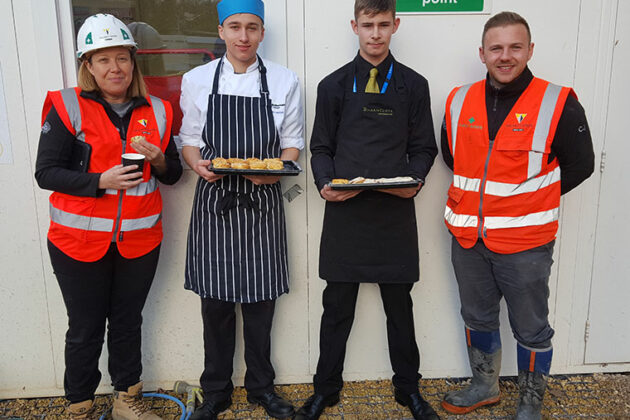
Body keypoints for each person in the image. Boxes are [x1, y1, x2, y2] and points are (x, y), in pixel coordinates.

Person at [440, 11, 594, 420]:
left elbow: (580, 165)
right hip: (468, 238)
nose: (505, 56)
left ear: (529, 50)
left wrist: (529, 202)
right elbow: (453, 157)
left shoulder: (558, 102)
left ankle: (530, 403)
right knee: (476, 316)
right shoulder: (458, 100)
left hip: (526, 244)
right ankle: (484, 386)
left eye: (515, 47)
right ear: (482, 53)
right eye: (496, 48)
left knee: (531, 327)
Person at [35, 13, 182, 420]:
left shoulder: (158, 110)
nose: (114, 68)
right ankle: (79, 405)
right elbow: (46, 173)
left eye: (121, 58)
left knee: (127, 322)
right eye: (103, 59)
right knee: (84, 327)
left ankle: (126, 400)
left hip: (140, 240)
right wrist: (100, 181)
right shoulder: (67, 106)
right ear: (88, 65)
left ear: (133, 62)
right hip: (77, 242)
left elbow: (173, 174)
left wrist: (159, 160)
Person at [296, 1, 439, 419]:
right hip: (346, 212)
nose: (375, 33)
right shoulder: (333, 85)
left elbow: (424, 147)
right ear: (354, 26)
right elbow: (320, 147)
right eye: (367, 25)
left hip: (394, 213)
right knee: (336, 310)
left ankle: (408, 390)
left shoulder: (414, 85)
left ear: (396, 25)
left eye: (383, 24)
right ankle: (325, 391)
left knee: (400, 310)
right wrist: (325, 184)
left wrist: (414, 181)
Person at [178, 0, 304, 419]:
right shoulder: (197, 80)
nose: (243, 36)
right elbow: (190, 139)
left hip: (263, 201)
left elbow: (292, 143)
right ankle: (215, 391)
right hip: (215, 201)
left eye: (252, 27)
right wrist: (197, 165)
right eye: (234, 27)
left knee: (260, 303)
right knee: (214, 305)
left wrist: (277, 171)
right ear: (221, 31)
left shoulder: (284, 80)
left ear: (262, 32)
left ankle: (261, 388)